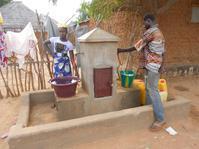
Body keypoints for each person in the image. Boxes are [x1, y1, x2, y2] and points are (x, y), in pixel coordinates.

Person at [118, 14, 166, 131]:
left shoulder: (150, 32)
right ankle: (149, 109)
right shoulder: (159, 33)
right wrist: (162, 66)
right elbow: (164, 52)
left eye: (145, 22)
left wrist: (121, 50)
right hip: (155, 66)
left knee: (153, 90)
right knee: (149, 88)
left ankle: (160, 119)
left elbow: (137, 46)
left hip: (152, 66)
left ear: (149, 21)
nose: (143, 25)